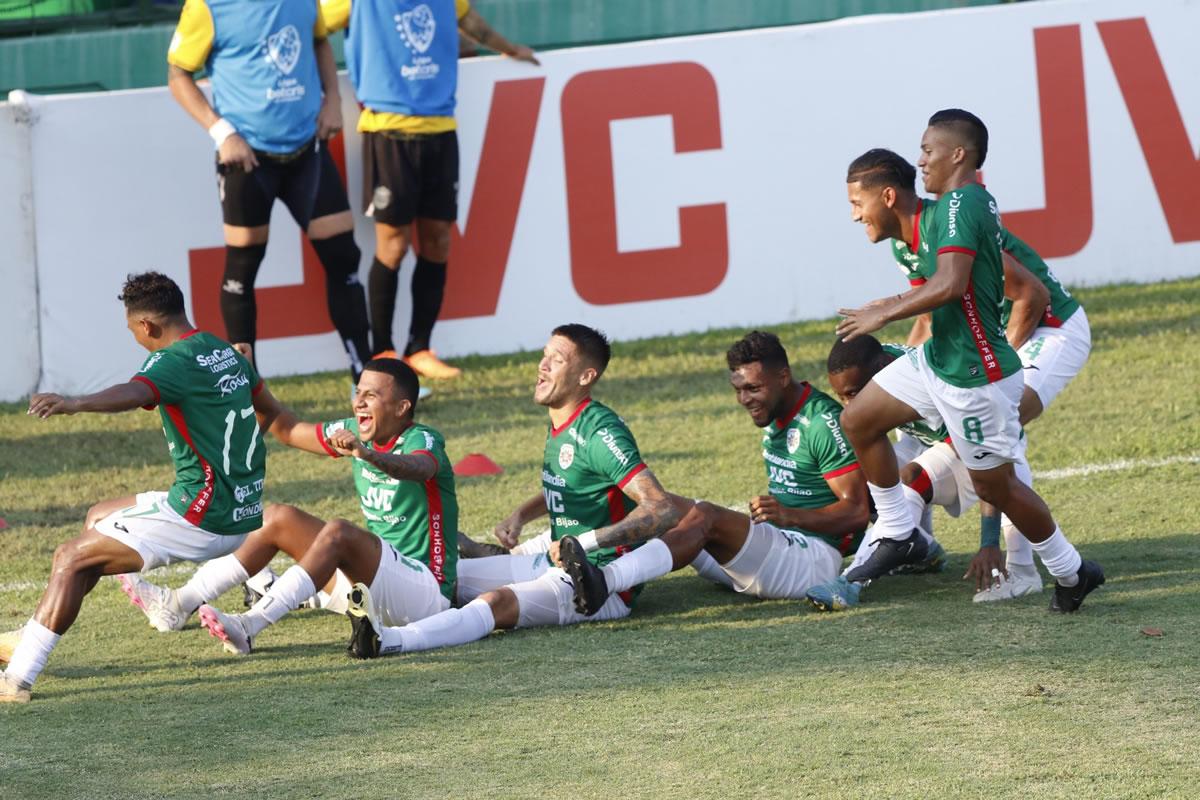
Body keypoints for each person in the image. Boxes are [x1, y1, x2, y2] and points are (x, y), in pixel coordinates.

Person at [835, 113, 1103, 613]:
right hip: (942, 363)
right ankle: (897, 528)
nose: (921, 160)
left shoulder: (966, 203)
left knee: (995, 484)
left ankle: (1069, 570)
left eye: (929, 150)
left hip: (984, 372)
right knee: (859, 418)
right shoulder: (924, 225)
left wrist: (883, 310)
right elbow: (936, 304)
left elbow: (959, 284)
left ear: (958, 154)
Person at [1, 273, 271, 702]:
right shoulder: (224, 350)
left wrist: (74, 403)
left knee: (70, 557)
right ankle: (34, 630)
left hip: (199, 515)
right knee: (98, 518)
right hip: (238, 511)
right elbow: (269, 411)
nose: (136, 340)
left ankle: (18, 676)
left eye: (133, 331)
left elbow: (133, 391)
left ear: (147, 325)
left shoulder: (170, 361)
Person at [342, 324, 683, 657]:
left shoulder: (599, 433)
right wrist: (522, 514)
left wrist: (586, 543)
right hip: (556, 562)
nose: (543, 365)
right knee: (441, 577)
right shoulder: (565, 419)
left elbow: (661, 508)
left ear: (585, 377)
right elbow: (578, 484)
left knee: (496, 604)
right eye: (544, 355)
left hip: (596, 584)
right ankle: (312, 594)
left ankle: (387, 641)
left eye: (557, 359)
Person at [118, 358, 459, 655]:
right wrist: (244, 379)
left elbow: (420, 468)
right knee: (278, 517)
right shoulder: (353, 430)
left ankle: (250, 625)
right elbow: (287, 428)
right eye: (358, 393)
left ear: (402, 407)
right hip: (371, 591)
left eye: (372, 396)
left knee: (338, 532)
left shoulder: (422, 439)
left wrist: (368, 455)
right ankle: (179, 604)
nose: (359, 403)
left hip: (426, 595)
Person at [559, 331, 871, 616]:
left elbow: (856, 513)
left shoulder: (821, 422)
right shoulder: (776, 411)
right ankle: (559, 551)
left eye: (753, 388)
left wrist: (789, 515)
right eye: (738, 390)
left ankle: (604, 580)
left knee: (706, 515)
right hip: (776, 550)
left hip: (812, 561)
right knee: (664, 506)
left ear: (784, 377)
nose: (745, 399)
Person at [320, 0, 539, 378]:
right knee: (394, 244)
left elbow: (469, 20)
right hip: (388, 130)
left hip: (441, 128)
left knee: (438, 240)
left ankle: (419, 347)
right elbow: (312, 26)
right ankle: (384, 352)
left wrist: (510, 48)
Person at [168, 0, 372, 380]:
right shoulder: (207, 7)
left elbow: (319, 42)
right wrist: (222, 132)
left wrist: (333, 99)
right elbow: (178, 74)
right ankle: (249, 392)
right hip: (247, 158)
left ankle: (367, 380)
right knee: (242, 271)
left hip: (307, 151)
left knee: (344, 259)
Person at [823, 334, 1044, 604]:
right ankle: (923, 551)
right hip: (943, 439)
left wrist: (989, 542)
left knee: (912, 480)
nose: (849, 406)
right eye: (840, 397)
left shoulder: (932, 386)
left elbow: (987, 458)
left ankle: (851, 581)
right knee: (868, 479)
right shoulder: (883, 362)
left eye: (854, 394)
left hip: (997, 448)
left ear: (881, 371)